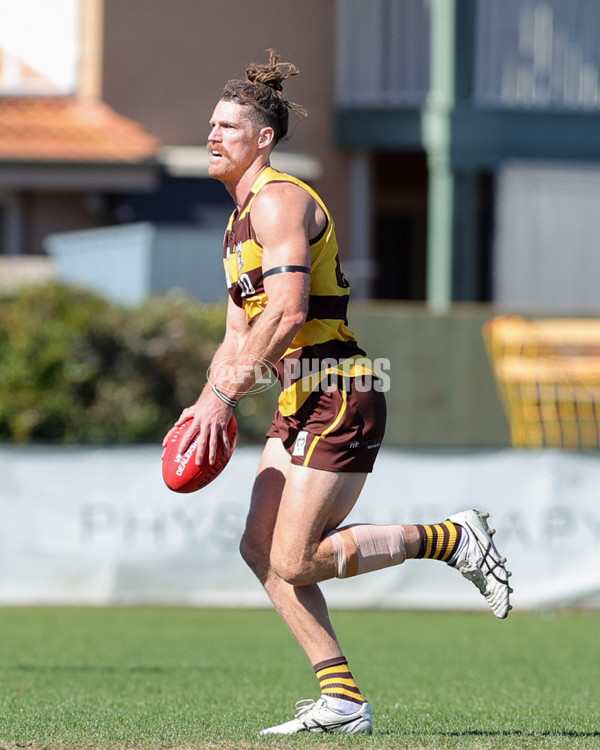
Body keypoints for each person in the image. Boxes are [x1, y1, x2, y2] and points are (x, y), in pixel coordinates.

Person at [164, 50, 512, 736]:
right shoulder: (236, 228)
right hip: (301, 396)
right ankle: (343, 702)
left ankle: (450, 538)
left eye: (228, 127)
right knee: (262, 552)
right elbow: (239, 334)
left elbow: (288, 311)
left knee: (296, 558)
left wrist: (223, 399)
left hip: (341, 388)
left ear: (263, 139)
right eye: (210, 125)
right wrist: (206, 397)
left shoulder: (280, 200)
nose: (212, 136)